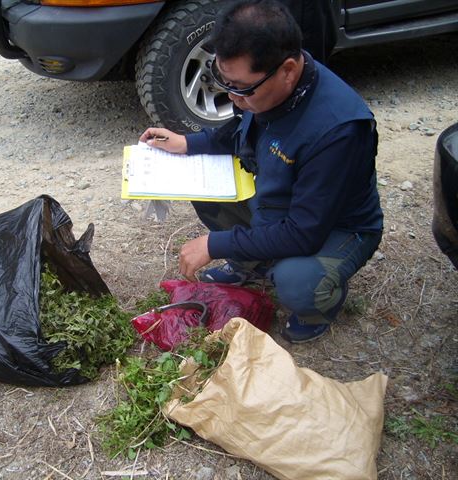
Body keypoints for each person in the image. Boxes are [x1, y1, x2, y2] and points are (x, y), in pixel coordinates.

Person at [139, 0, 383, 343]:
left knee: (295, 282)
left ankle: (321, 300)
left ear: (287, 70)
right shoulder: (266, 90)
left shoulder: (339, 130)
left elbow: (304, 233)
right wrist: (187, 144)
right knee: (202, 177)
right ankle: (249, 264)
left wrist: (215, 243)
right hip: (286, 203)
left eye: (241, 88)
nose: (232, 97)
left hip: (339, 227)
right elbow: (241, 130)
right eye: (225, 81)